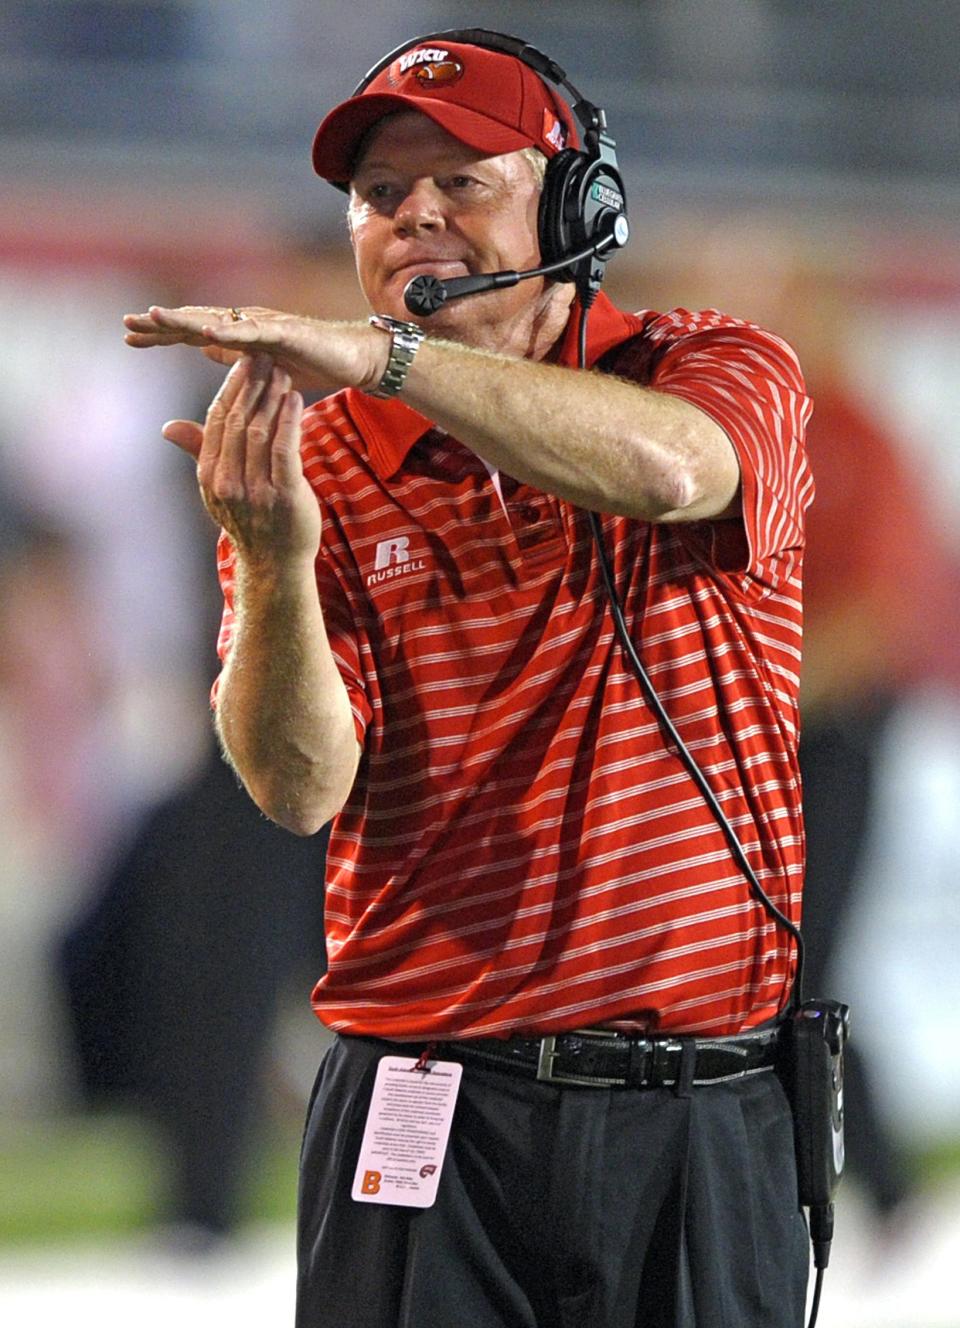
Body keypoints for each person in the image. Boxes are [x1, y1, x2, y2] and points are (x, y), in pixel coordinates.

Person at [124, 29, 814, 1328]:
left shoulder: (715, 369)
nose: (414, 217)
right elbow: (295, 785)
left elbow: (674, 474)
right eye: (382, 195)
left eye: (460, 181)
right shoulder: (320, 461)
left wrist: (389, 363)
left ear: (578, 201)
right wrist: (274, 563)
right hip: (422, 1097)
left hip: (697, 1107)